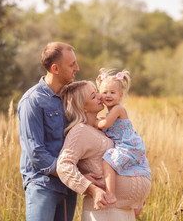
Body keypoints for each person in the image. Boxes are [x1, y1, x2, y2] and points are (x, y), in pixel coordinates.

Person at [18, 42, 101, 221]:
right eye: (72, 65)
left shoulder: (70, 97)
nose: (77, 68)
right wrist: (75, 176)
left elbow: (89, 119)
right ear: (55, 68)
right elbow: (36, 152)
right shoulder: (32, 101)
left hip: (69, 189)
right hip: (43, 186)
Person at [57, 81, 151, 221]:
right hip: (105, 210)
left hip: (123, 209)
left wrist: (137, 198)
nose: (101, 97)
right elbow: (63, 165)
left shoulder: (103, 128)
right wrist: (90, 188)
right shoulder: (80, 131)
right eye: (93, 96)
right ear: (83, 107)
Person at [94, 68, 151, 214]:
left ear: (120, 95)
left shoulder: (118, 109)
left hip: (128, 145)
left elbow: (105, 124)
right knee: (134, 170)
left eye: (112, 93)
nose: (108, 95)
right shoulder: (111, 112)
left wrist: (91, 121)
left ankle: (111, 194)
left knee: (108, 161)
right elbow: (106, 120)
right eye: (105, 92)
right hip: (132, 145)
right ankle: (139, 202)